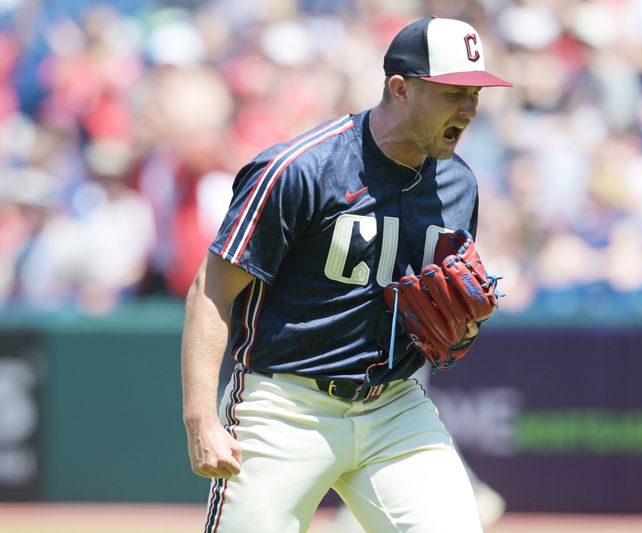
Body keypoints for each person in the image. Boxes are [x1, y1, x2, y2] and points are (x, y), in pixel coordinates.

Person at [181, 16, 512, 533]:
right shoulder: (301, 169)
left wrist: (458, 327)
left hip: (393, 405)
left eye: (475, 93)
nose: (468, 109)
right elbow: (211, 289)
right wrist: (201, 417)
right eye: (452, 93)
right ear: (401, 89)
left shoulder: (459, 186)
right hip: (286, 405)